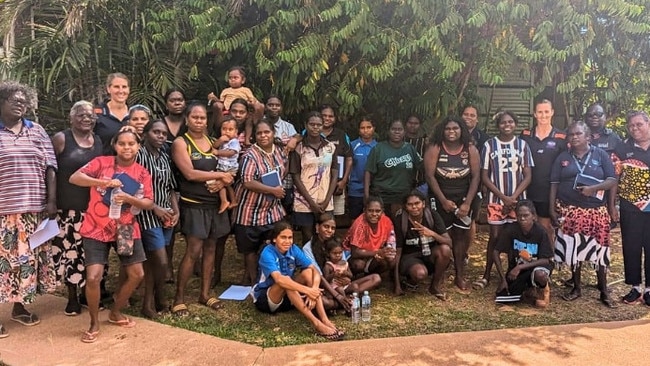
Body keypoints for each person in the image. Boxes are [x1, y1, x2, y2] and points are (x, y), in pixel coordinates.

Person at [69, 129, 154, 343]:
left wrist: (128, 198)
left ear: (138, 147)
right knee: (93, 277)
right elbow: (75, 178)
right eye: (122, 143)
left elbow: (148, 203)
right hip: (96, 226)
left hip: (125, 228)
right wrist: (102, 183)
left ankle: (115, 312)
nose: (127, 147)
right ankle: (94, 322)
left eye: (131, 144)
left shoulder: (142, 172)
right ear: (115, 145)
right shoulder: (101, 163)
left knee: (137, 274)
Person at [0, 81, 58, 338]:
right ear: (2, 103)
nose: (21, 104)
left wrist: (51, 201)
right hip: (4, 211)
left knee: (26, 262)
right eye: (15, 101)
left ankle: (19, 307)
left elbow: (51, 167)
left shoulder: (37, 131)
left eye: (24, 101)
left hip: (34, 211)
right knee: (3, 263)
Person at [170, 103, 234, 316]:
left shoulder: (209, 141)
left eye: (202, 118)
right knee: (193, 251)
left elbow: (220, 169)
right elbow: (189, 173)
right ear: (187, 119)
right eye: (195, 117)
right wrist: (218, 177)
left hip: (213, 204)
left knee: (211, 249)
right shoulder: (181, 143)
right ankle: (179, 297)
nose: (199, 121)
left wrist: (222, 183)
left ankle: (205, 293)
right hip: (194, 204)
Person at [549, 121, 617, 307]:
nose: (574, 137)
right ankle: (576, 286)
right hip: (571, 211)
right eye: (571, 134)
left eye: (578, 134)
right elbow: (554, 183)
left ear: (588, 136)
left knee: (600, 251)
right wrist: (551, 208)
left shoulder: (601, 155)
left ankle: (603, 289)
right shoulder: (563, 157)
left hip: (596, 211)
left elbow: (612, 179)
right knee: (573, 250)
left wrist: (593, 189)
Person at [51, 100, 103, 317]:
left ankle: (86, 294)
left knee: (89, 253)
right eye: (81, 115)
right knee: (70, 253)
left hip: (93, 209)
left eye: (90, 115)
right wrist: (51, 201)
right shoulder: (62, 139)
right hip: (68, 209)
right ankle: (72, 297)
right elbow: (50, 170)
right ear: (71, 118)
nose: (86, 118)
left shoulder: (98, 140)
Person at [252, 221, 344, 341]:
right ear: (274, 239)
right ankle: (317, 324)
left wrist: (314, 289)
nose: (287, 241)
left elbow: (314, 270)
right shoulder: (267, 252)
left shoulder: (293, 249)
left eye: (290, 237)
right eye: (283, 237)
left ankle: (325, 319)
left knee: (307, 272)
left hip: (288, 298)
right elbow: (279, 280)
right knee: (286, 281)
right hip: (266, 299)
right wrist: (307, 290)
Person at [473, 111, 533, 290]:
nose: (507, 125)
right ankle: (487, 274)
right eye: (502, 122)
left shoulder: (523, 145)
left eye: (510, 122)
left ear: (515, 124)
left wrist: (513, 197)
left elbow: (528, 175)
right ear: (497, 125)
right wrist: (503, 197)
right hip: (496, 200)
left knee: (516, 237)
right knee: (495, 237)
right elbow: (484, 176)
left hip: (518, 202)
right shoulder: (489, 145)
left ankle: (510, 273)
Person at [425, 116, 480, 291]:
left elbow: (476, 177)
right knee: (442, 236)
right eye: (448, 129)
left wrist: (468, 203)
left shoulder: (470, 149)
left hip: (463, 199)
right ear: (442, 130)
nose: (451, 132)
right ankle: (439, 275)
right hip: (440, 198)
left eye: (455, 128)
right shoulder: (435, 148)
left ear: (461, 130)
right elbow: (429, 176)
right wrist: (442, 200)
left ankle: (459, 275)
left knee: (461, 238)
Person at [233, 119, 287, 286]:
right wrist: (272, 190)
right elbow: (247, 181)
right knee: (250, 251)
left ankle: (273, 279)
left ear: (273, 133)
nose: (263, 136)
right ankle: (253, 281)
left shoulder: (279, 151)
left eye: (267, 132)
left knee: (273, 245)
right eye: (259, 133)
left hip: (272, 211)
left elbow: (283, 171)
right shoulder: (250, 155)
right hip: (250, 212)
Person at [136, 120, 180, 318]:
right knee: (160, 260)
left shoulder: (164, 157)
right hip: (147, 215)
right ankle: (149, 301)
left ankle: (157, 300)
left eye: (164, 133)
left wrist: (175, 210)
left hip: (167, 215)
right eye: (156, 132)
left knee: (156, 261)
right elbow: (132, 188)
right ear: (146, 133)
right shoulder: (138, 156)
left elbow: (170, 187)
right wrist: (155, 208)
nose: (161, 136)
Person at [611, 110, 650, 306]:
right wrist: (613, 205)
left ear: (648, 123)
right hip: (630, 208)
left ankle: (649, 290)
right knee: (631, 247)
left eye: (639, 124)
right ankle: (634, 287)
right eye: (631, 126)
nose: (635, 129)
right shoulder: (622, 148)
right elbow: (614, 178)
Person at [303, 213, 380, 310]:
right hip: (324, 288)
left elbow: (343, 265)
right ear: (318, 227)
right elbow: (319, 277)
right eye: (326, 227)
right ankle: (345, 300)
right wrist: (337, 295)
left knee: (375, 278)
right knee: (325, 302)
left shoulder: (336, 244)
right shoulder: (307, 248)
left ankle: (344, 300)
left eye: (333, 228)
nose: (329, 231)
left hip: (342, 286)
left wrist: (346, 278)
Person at [520, 99, 566, 243]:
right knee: (527, 226)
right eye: (540, 112)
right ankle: (529, 260)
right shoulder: (525, 135)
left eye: (546, 111)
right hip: (528, 190)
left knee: (545, 228)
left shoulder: (561, 137)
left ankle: (547, 259)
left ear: (552, 112)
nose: (543, 115)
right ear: (534, 114)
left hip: (549, 191)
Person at [493, 200, 553, 308]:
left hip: (537, 267)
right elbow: (496, 251)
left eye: (526, 215)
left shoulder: (540, 232)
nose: (522, 219)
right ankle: (528, 289)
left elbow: (546, 259)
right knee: (502, 298)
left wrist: (520, 267)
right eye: (519, 216)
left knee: (540, 275)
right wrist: (502, 279)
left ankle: (543, 289)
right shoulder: (511, 230)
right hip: (517, 269)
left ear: (533, 216)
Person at [393, 190, 452, 299]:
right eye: (410, 204)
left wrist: (432, 234)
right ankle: (408, 280)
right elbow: (398, 252)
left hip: (429, 253)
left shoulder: (432, 215)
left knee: (445, 250)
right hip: (410, 257)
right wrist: (397, 285)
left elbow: (449, 242)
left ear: (423, 204)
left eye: (417, 203)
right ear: (405, 207)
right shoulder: (401, 220)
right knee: (420, 274)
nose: (414, 207)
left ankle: (434, 286)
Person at [289, 112, 338, 244]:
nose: (315, 127)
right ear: (306, 125)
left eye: (318, 125)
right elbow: (295, 176)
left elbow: (334, 173)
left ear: (322, 126)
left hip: (325, 202)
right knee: (308, 238)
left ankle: (325, 264)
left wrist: (327, 199)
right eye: (312, 124)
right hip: (304, 202)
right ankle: (309, 264)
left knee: (327, 237)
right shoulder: (299, 148)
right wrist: (311, 202)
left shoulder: (330, 147)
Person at [365, 119, 423, 218]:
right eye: (393, 129)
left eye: (400, 129)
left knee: (401, 227)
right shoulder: (378, 149)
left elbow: (422, 167)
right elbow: (368, 172)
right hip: (382, 196)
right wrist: (366, 196)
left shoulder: (410, 149)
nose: (396, 132)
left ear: (404, 131)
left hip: (403, 196)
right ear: (388, 131)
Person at [343, 196, 397, 282]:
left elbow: (391, 243)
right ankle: (355, 279)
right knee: (359, 264)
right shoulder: (359, 225)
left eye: (378, 211)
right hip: (353, 255)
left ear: (382, 211)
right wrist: (377, 252)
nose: (374, 214)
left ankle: (370, 276)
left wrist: (386, 253)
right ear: (364, 211)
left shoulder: (387, 222)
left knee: (391, 260)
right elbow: (355, 253)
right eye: (370, 211)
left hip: (373, 252)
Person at [208, 66, 264, 146]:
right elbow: (221, 103)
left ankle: (247, 139)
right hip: (227, 112)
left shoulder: (246, 90)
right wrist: (214, 98)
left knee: (249, 122)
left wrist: (251, 104)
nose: (233, 80)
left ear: (243, 80)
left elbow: (253, 101)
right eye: (230, 78)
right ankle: (224, 137)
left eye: (235, 77)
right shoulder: (226, 91)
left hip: (244, 109)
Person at [265, 96, 300, 214]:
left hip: (285, 171)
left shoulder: (288, 127)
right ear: (266, 106)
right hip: (265, 170)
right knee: (267, 200)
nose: (274, 107)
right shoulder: (260, 123)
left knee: (285, 201)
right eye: (271, 104)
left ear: (281, 108)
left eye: (277, 105)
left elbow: (299, 136)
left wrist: (294, 139)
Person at [319, 105, 352, 218]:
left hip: (338, 183)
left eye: (330, 116)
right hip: (316, 184)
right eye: (324, 115)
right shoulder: (310, 132)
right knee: (317, 214)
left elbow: (349, 158)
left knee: (334, 218)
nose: (327, 118)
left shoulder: (341, 135)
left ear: (335, 118)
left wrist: (344, 181)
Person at [348, 116, 377, 219]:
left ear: (374, 128)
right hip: (355, 190)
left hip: (374, 190)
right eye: (362, 128)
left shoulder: (378, 147)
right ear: (359, 130)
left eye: (369, 127)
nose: (366, 130)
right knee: (355, 220)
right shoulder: (352, 145)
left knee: (372, 219)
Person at [94, 72, 130, 155]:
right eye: (116, 87)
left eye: (124, 87)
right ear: (108, 89)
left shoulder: (135, 114)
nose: (121, 91)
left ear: (128, 89)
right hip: (104, 164)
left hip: (131, 165)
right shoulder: (97, 113)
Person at [211, 117, 240, 213]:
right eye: (224, 129)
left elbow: (231, 152)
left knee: (221, 182)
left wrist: (218, 152)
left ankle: (224, 201)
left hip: (229, 166)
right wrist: (220, 140)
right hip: (223, 166)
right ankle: (233, 201)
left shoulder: (234, 141)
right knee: (228, 185)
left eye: (230, 129)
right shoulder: (223, 141)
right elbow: (214, 146)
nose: (226, 132)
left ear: (236, 132)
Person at [404, 115, 429, 192]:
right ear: (405, 124)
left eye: (416, 123)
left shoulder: (424, 142)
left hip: (420, 183)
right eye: (410, 123)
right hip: (401, 184)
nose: (412, 125)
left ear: (420, 125)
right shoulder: (399, 141)